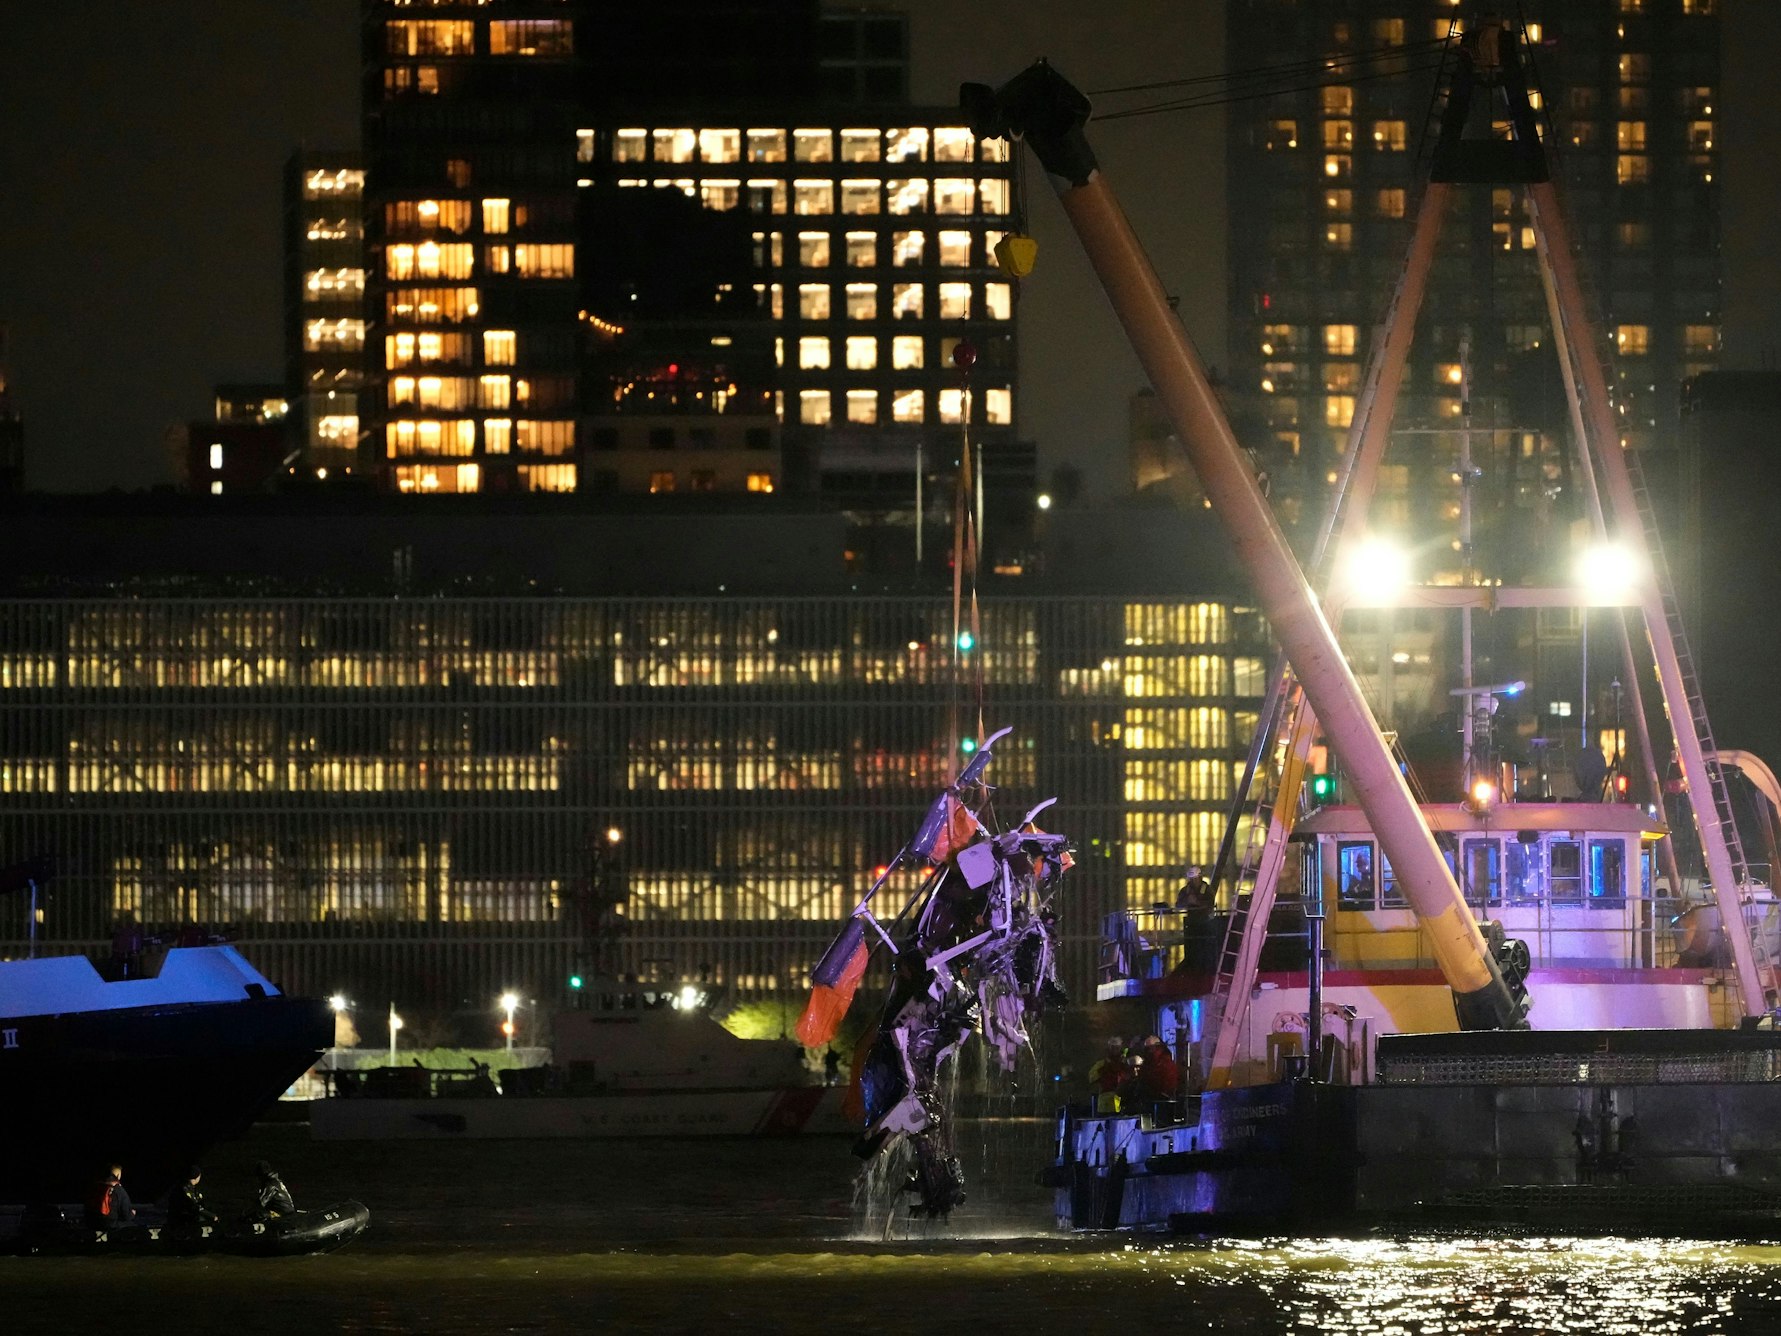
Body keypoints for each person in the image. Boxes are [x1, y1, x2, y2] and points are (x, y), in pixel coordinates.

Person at [168, 1165, 218, 1236]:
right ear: (197, 1176)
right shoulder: (185, 1190)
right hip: (184, 1222)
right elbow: (194, 1207)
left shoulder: (191, 1188)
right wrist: (212, 1216)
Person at [1088, 1036, 1130, 1113]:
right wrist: (1103, 1071)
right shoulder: (1102, 1063)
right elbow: (1091, 1077)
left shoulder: (1126, 1063)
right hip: (1105, 1103)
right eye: (1113, 1047)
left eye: (1117, 1048)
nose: (1115, 1050)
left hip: (1122, 1101)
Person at [86, 1163, 135, 1229]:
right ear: (118, 1175)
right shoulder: (118, 1190)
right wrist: (132, 1214)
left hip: (91, 1224)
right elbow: (126, 1215)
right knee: (132, 1224)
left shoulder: (94, 1187)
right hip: (110, 1225)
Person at [1136, 1035, 1180, 1104]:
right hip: (1150, 1100)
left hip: (1162, 1101)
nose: (1148, 1051)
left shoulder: (1165, 1063)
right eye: (1147, 1049)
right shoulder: (1149, 1063)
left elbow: (1169, 1084)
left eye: (1149, 1048)